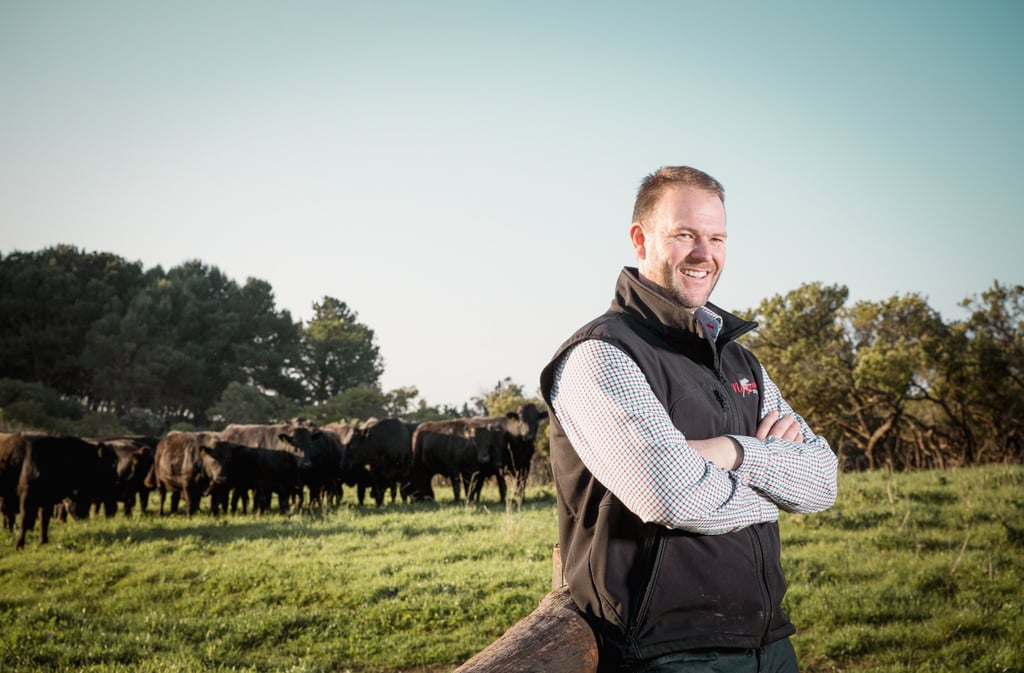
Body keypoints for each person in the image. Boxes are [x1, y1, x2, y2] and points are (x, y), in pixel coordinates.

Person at [539, 166, 838, 673]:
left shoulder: (740, 361)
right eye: (684, 235)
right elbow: (673, 497)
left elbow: (823, 481)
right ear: (640, 240)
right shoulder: (602, 355)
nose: (705, 253)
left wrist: (733, 452)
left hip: (769, 644)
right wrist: (776, 490)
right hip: (664, 653)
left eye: (716, 237)